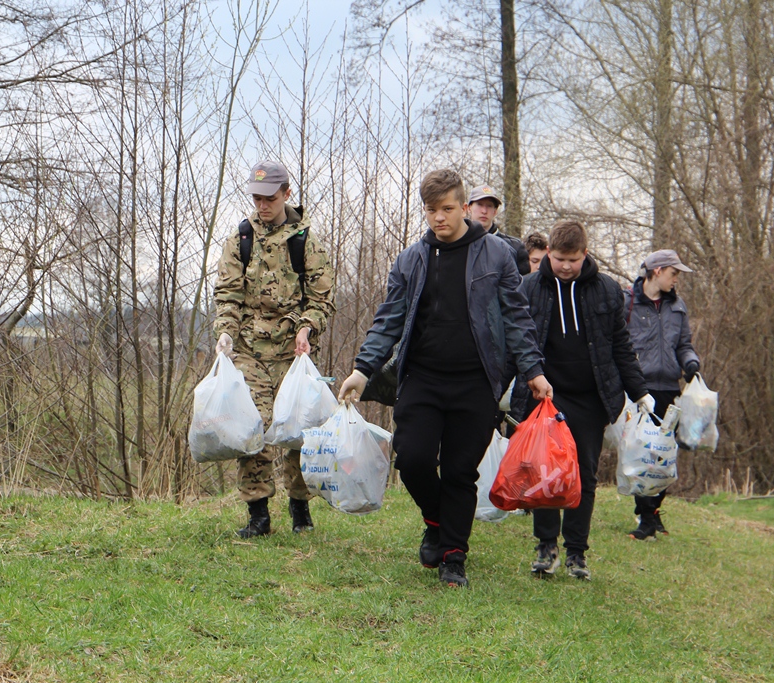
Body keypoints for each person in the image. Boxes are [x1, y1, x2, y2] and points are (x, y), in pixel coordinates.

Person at [338, 169, 552, 589]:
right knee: (413, 458)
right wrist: (363, 370)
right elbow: (389, 320)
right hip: (421, 377)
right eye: (432, 210)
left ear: (464, 208)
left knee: (459, 471)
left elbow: (516, 319)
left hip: (475, 381)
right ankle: (436, 521)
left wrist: (534, 371)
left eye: (448, 209)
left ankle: (454, 555)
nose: (439, 218)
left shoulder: (495, 256)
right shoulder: (411, 259)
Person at [508, 220, 652, 580]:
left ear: (585, 254)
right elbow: (515, 344)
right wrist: (500, 392)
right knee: (544, 472)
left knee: (583, 475)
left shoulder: (606, 291)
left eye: (572, 259)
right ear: (548, 256)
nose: (566, 266)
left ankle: (577, 551)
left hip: (592, 397)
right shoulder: (528, 288)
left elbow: (621, 344)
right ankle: (546, 546)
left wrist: (640, 393)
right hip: (545, 397)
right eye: (558, 259)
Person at [213, 160, 335, 538]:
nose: (262, 205)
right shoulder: (240, 239)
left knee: (299, 430)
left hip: (291, 351)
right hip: (248, 348)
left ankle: (300, 508)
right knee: (253, 427)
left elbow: (322, 298)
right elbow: (228, 294)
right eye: (256, 198)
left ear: (286, 194)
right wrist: (225, 333)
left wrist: (307, 327)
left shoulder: (306, 241)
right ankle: (258, 514)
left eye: (269, 198)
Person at [623, 249, 700, 541]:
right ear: (657, 272)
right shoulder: (628, 303)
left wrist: (691, 363)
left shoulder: (677, 306)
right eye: (673, 273)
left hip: (670, 388)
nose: (676, 279)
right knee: (645, 454)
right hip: (639, 390)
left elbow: (684, 344)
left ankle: (653, 511)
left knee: (665, 454)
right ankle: (645, 516)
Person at [467, 184, 530, 275]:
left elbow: (523, 285)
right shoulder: (457, 244)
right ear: (469, 208)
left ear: (495, 211)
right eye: (479, 204)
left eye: (489, 206)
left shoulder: (514, 248)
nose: (484, 211)